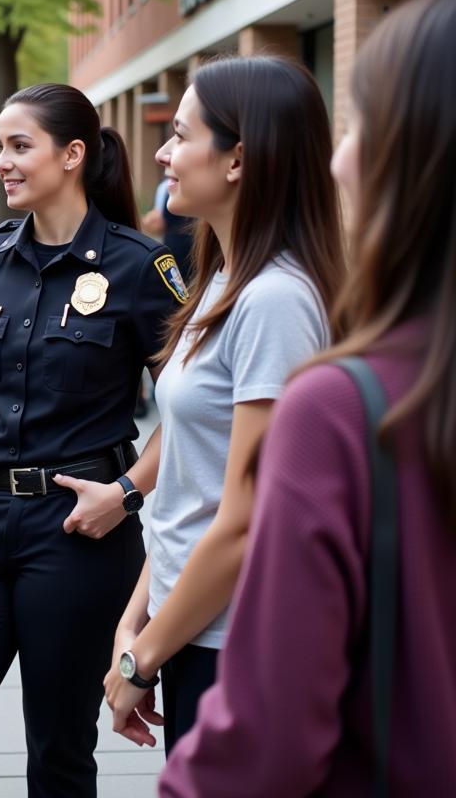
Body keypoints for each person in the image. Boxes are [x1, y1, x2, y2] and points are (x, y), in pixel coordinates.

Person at [159, 0, 456, 796]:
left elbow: (269, 732)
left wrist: (138, 654)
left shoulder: (332, 389)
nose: (339, 159)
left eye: (361, 126)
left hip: (218, 643)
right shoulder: (226, 285)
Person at [0, 83, 187, 797]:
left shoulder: (139, 268)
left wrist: (125, 494)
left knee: (58, 754)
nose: (1, 161)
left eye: (19, 146)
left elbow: (192, 414)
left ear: (73, 154)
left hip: (80, 530)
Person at [104, 56, 343, 755]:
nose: (162, 152)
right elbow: (190, 480)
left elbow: (245, 521)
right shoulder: (224, 281)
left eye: (180, 135)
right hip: (190, 626)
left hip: (236, 640)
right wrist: (138, 623)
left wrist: (139, 657)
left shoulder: (274, 302)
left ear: (237, 159)